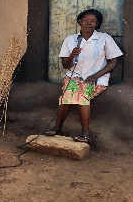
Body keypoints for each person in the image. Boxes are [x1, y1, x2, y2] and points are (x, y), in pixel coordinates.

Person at [45, 8, 123, 144]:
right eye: (85, 20)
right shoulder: (70, 40)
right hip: (73, 77)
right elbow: (65, 65)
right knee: (68, 95)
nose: (88, 23)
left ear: (97, 24)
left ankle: (85, 133)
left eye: (93, 21)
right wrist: (72, 55)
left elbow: (114, 61)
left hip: (97, 78)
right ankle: (58, 128)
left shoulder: (104, 38)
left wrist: (96, 75)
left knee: (81, 93)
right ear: (79, 22)